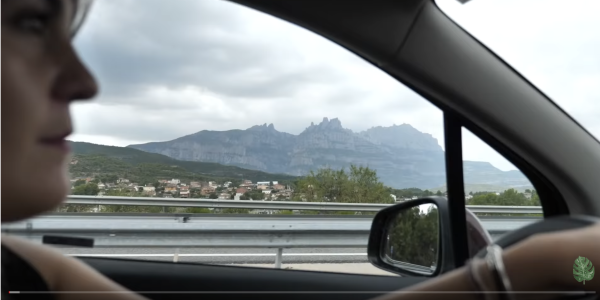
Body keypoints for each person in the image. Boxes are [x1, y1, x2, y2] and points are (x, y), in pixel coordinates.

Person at [1, 0, 599, 300]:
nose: (86, 82)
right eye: (31, 23)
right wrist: (515, 271)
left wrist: (522, 267)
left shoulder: (33, 269)